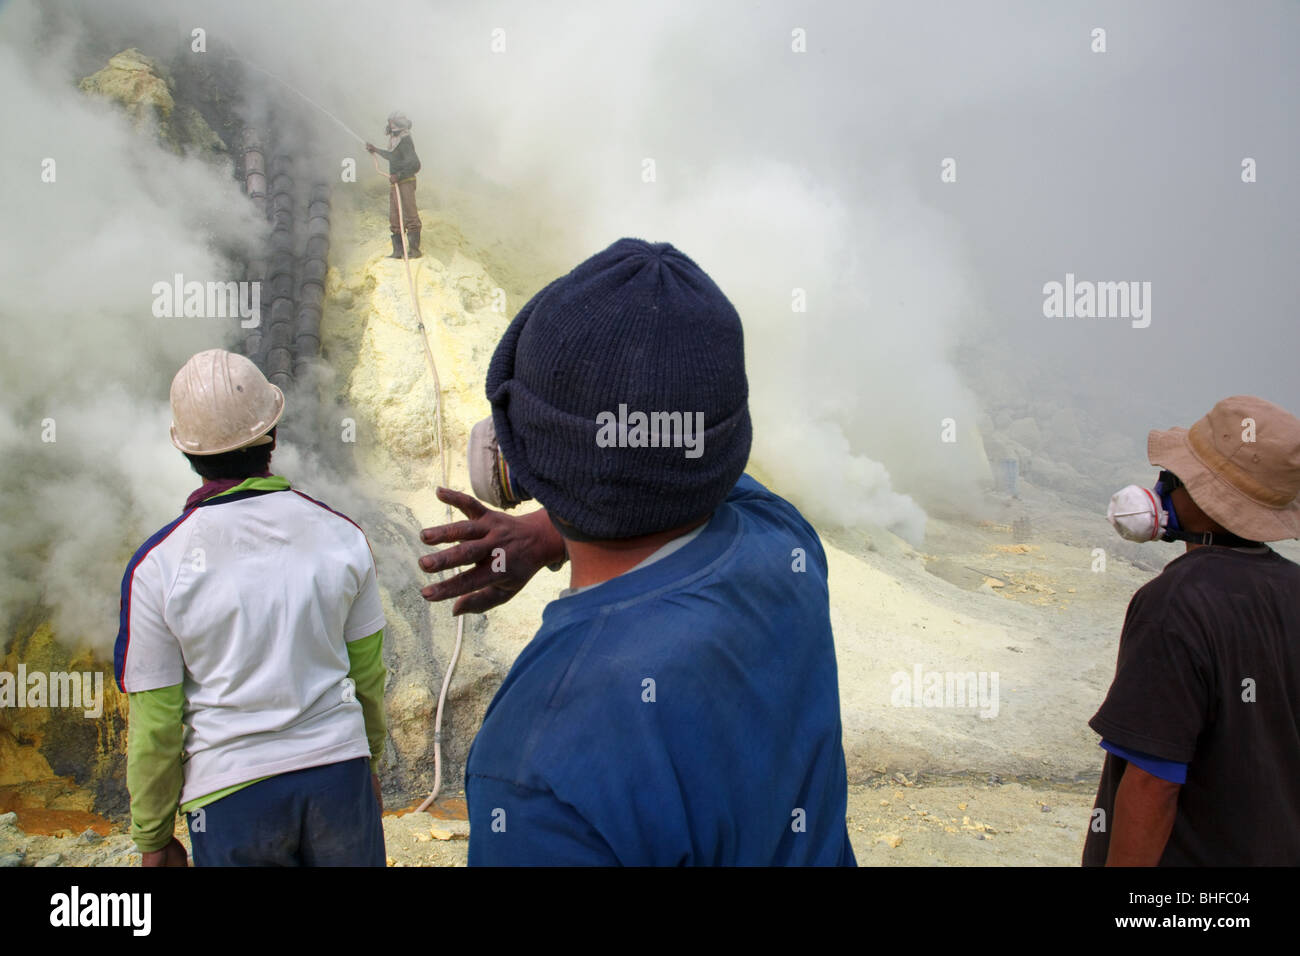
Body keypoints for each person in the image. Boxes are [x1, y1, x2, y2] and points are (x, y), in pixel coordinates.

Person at [418, 238, 857, 866]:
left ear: (514, 464)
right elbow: (688, 459)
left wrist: (550, 522)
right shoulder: (783, 542)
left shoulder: (538, 763)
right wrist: (550, 525)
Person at [116, 348, 388, 867]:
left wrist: (152, 837)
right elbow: (368, 675)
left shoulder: (158, 567)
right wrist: (366, 762)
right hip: (339, 775)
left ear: (186, 452)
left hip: (230, 793)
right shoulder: (343, 537)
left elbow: (156, 722)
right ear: (273, 436)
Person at [1085, 395, 1300, 866]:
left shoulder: (1174, 604)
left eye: (1175, 476)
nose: (1160, 486)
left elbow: (1152, 784)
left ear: (1203, 496)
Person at [365, 111, 421, 259]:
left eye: (392, 124)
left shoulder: (405, 140)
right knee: (395, 217)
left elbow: (415, 164)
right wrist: (375, 150)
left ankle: (414, 251)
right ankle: (398, 251)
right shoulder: (395, 140)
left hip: (406, 182)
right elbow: (392, 157)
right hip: (396, 183)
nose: (390, 127)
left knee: (410, 215)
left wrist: (399, 175)